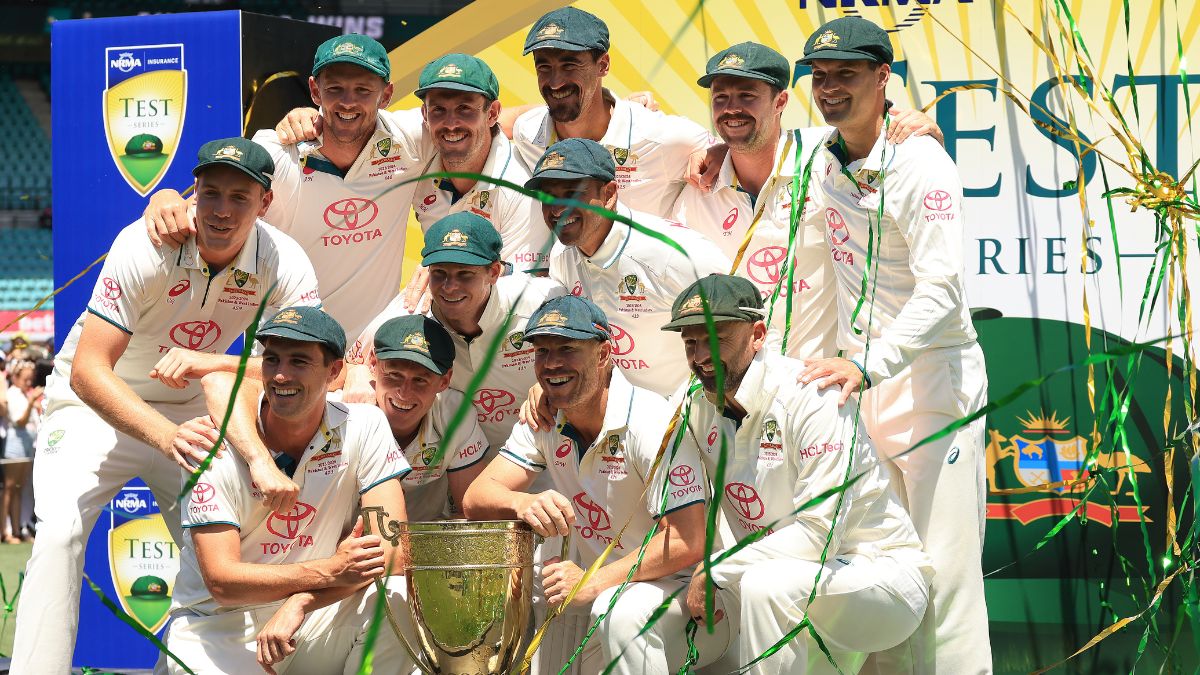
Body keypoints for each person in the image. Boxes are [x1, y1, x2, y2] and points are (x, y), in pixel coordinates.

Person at [11, 137, 321, 672]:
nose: (222, 211)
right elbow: (88, 371)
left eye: (240, 198)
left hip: (190, 411)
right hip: (95, 405)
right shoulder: (146, 243)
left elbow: (305, 361)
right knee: (59, 532)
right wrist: (165, 434)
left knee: (222, 554)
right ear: (193, 191)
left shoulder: (282, 259)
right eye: (212, 193)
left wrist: (209, 365)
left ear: (265, 203)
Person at [795, 17, 992, 673]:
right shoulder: (822, 158)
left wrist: (868, 363)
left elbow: (941, 291)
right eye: (820, 77)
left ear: (884, 78)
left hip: (935, 390)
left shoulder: (922, 162)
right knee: (886, 572)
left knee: (945, 577)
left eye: (846, 75)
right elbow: (751, 133)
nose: (829, 89)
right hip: (865, 390)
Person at [664, 274, 931, 674]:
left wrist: (715, 569)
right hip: (790, 581)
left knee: (763, 585)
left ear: (757, 334)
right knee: (755, 585)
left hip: (878, 577)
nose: (701, 355)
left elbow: (819, 535)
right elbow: (638, 425)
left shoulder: (814, 395)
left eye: (715, 337)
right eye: (690, 342)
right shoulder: (693, 403)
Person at [463, 295, 722, 674]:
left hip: (688, 592)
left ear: (603, 355)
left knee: (619, 610)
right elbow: (476, 498)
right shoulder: (546, 417)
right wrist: (522, 503)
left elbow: (687, 540)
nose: (552, 364)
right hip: (604, 586)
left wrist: (593, 581)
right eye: (542, 351)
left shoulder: (651, 422)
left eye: (567, 349)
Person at [166, 306, 413, 674]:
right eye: (272, 359)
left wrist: (302, 600)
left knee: (399, 599)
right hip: (219, 625)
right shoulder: (208, 444)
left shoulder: (365, 425)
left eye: (299, 361)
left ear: (333, 371)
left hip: (312, 614)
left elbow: (395, 554)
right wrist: (329, 571)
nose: (281, 375)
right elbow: (223, 582)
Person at [143, 34, 435, 341]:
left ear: (386, 95)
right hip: (285, 348)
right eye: (335, 89)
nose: (348, 102)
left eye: (363, 90)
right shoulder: (277, 150)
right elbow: (213, 205)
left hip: (372, 351)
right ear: (314, 90)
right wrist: (166, 198)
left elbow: (480, 127)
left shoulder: (413, 137)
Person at [275, 52, 554, 288]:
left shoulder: (521, 186)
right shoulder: (417, 151)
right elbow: (351, 120)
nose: (451, 123)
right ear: (424, 116)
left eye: (465, 109)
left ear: (491, 114)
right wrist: (309, 116)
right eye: (439, 110)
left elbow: (531, 287)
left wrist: (455, 275)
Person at [527, 138, 730, 398]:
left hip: (689, 414)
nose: (557, 209)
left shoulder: (674, 254)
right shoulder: (561, 256)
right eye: (547, 196)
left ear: (609, 194)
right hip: (619, 418)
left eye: (571, 194)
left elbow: (744, 325)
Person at [348, 212, 565, 452]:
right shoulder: (407, 315)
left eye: (465, 274)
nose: (450, 287)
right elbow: (344, 366)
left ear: (494, 272)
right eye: (440, 273)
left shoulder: (542, 302)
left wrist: (549, 384)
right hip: (458, 471)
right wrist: (356, 373)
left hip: (548, 462)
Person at [512, 7, 712, 217]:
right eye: (544, 67)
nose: (555, 83)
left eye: (569, 65)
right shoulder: (528, 134)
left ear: (603, 65)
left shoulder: (656, 135)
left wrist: (711, 153)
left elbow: (732, 153)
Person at [368, 314, 488, 520]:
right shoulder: (343, 413)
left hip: (427, 543)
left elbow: (471, 510)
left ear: (445, 380)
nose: (404, 393)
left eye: (420, 380)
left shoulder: (455, 414)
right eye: (394, 375)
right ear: (372, 363)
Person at [4, 359, 40, 543]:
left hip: (26, 442)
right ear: (15, 377)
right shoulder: (12, 393)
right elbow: (20, 421)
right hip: (15, 442)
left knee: (20, 488)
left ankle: (18, 529)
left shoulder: (24, 394)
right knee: (10, 488)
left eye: (30, 379)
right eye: (25, 379)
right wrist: (32, 402)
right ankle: (7, 531)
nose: (28, 383)